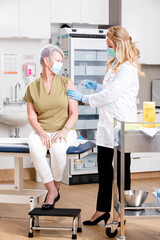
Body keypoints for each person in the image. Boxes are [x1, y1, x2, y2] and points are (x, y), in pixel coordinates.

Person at [67, 26, 144, 225]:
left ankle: (121, 213)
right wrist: (97, 87)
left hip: (121, 125)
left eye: (109, 45)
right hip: (107, 125)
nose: (107, 49)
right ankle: (102, 210)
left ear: (119, 44)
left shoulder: (128, 67)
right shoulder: (116, 64)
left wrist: (84, 97)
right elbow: (109, 90)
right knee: (104, 170)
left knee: (122, 172)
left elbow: (111, 95)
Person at [24, 44, 78, 210]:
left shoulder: (66, 83)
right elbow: (32, 116)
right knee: (35, 150)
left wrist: (64, 130)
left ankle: (55, 188)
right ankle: (52, 191)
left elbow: (74, 112)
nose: (60, 64)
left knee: (58, 150)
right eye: (58, 60)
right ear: (46, 61)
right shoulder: (32, 87)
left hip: (65, 130)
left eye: (61, 61)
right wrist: (41, 133)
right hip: (42, 131)